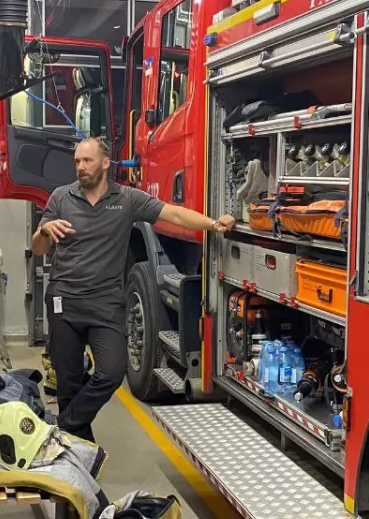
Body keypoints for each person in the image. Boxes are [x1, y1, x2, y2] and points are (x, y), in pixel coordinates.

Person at [32, 137, 235, 441]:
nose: (80, 167)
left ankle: (66, 426)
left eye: (87, 161)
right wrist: (44, 230)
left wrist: (213, 224)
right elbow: (38, 247)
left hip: (106, 302)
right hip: (65, 300)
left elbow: (174, 214)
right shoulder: (61, 197)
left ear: (105, 163)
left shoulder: (127, 199)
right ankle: (78, 449)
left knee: (112, 372)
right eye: (77, 162)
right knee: (69, 382)